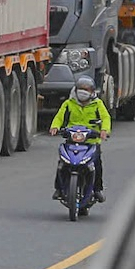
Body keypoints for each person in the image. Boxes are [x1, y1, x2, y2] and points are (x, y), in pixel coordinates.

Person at [50, 75, 111, 203]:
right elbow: (59, 117)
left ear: (92, 92)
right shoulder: (68, 104)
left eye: (86, 89)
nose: (83, 92)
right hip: (71, 142)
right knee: (62, 164)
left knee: (97, 164)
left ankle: (97, 189)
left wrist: (104, 131)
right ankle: (59, 189)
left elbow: (106, 118)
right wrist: (55, 127)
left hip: (91, 142)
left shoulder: (97, 104)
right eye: (80, 89)